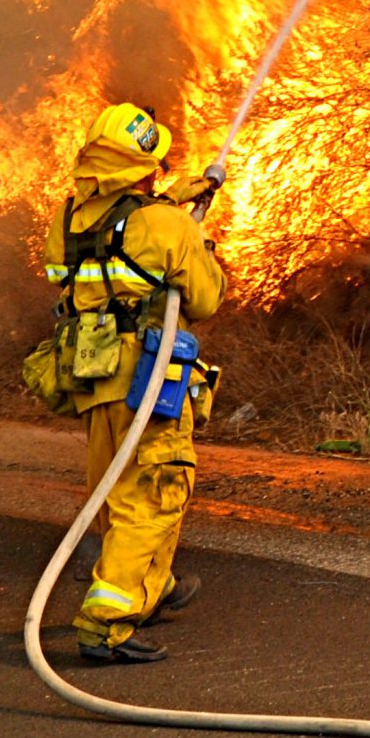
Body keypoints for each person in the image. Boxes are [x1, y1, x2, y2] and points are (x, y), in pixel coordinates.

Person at [44, 102, 228, 665]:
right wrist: (199, 246)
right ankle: (107, 622)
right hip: (145, 378)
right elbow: (205, 298)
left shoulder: (69, 220)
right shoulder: (165, 225)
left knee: (113, 488)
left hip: (92, 376)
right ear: (143, 166)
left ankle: (152, 584)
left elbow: (123, 234)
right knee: (155, 490)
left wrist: (175, 206)